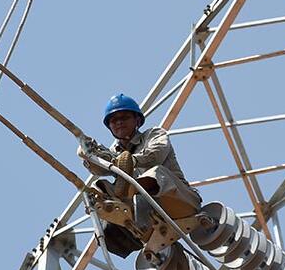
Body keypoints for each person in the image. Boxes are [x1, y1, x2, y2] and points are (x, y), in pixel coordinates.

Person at [79, 93, 202, 257]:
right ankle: (129, 224)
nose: (119, 122)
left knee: (153, 174)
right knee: (98, 190)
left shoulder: (154, 134)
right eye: (114, 120)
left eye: (124, 117)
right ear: (109, 127)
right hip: (145, 212)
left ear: (137, 120)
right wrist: (89, 154)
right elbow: (101, 169)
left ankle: (138, 211)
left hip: (178, 198)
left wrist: (131, 161)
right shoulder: (114, 154)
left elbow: (156, 153)